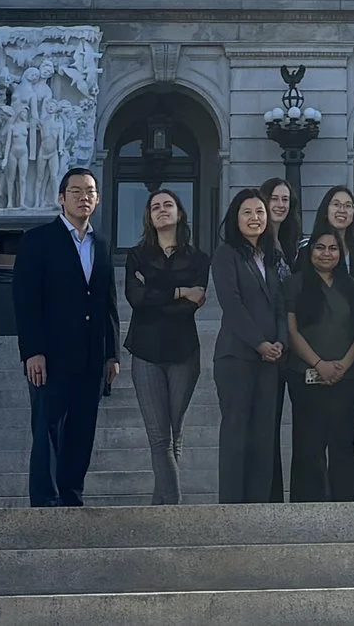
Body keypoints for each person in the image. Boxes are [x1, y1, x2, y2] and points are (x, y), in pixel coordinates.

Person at [13, 166, 121, 507]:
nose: (84, 197)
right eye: (76, 191)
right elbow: (26, 300)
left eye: (90, 191)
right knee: (48, 428)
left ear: (98, 199)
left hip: (91, 356)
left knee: (82, 430)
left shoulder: (101, 243)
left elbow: (108, 303)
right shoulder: (37, 240)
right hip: (51, 356)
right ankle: (46, 499)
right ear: (61, 198)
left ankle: (73, 494)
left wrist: (112, 354)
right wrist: (33, 351)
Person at [123, 187, 210, 505]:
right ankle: (175, 510)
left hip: (184, 352)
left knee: (174, 436)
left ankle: (160, 509)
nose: (161, 209)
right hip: (145, 352)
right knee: (160, 437)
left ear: (179, 214)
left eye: (168, 205)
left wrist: (158, 289)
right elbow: (136, 299)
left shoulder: (199, 258)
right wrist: (179, 291)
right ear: (148, 216)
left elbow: (195, 303)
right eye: (155, 206)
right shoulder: (136, 256)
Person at [210, 186, 288, 502]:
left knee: (264, 436)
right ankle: (232, 506)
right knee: (236, 434)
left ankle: (259, 506)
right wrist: (259, 344)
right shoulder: (226, 255)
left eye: (260, 212)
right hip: (237, 358)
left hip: (271, 361)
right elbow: (233, 305)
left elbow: (282, 305)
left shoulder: (271, 257)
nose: (255, 218)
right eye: (247, 212)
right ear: (235, 219)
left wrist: (280, 342)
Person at [286, 226, 354, 500]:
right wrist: (318, 363)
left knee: (342, 444)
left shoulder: (353, 286)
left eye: (333, 248)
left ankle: (348, 509)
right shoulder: (295, 284)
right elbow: (291, 330)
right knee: (309, 446)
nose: (326, 254)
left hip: (348, 378)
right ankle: (308, 512)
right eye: (320, 247)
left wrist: (342, 364)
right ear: (310, 252)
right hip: (304, 376)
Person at [308, 184, 354, 273]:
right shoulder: (307, 252)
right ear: (326, 210)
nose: (342, 210)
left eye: (348, 206)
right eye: (336, 204)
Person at [261, 176, 303, 265]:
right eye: (274, 199)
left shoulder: (288, 240)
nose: (280, 205)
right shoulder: (257, 241)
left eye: (285, 199)